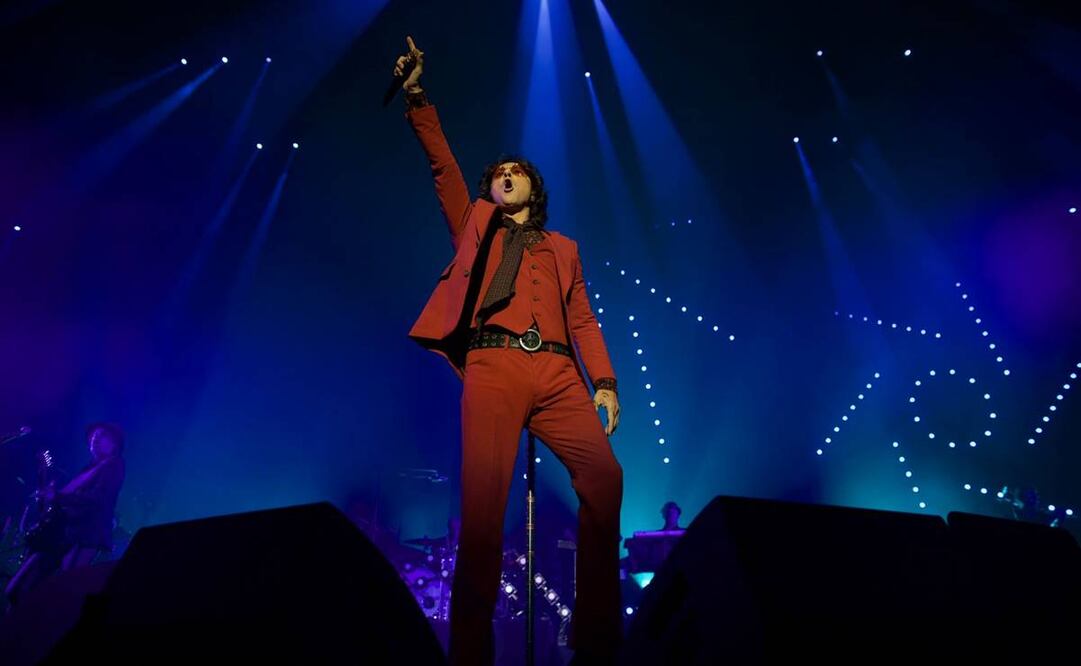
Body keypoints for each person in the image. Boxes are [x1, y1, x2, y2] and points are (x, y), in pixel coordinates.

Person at [394, 36, 623, 665]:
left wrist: (603, 382)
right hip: (493, 365)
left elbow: (583, 317)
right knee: (484, 510)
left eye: (514, 172)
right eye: (496, 174)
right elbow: (442, 164)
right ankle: (470, 653)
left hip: (555, 370)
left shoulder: (566, 248)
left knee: (605, 478)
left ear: (533, 186)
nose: (504, 177)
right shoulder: (475, 223)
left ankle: (598, 639)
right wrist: (417, 94)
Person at [4, 423, 126, 607]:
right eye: (93, 437)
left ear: (115, 443)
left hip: (83, 534)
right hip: (61, 534)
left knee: (64, 590)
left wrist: (58, 496)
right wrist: (50, 497)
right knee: (18, 591)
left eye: (101, 436)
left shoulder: (113, 464)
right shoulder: (88, 469)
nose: (94, 439)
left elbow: (98, 499)